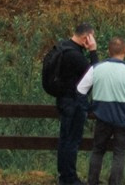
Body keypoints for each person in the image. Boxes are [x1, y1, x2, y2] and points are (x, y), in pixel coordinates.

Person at [78, 36, 125, 185]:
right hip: (124, 118)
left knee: (97, 151)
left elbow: (80, 90)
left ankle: (92, 181)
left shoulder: (96, 69)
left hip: (102, 116)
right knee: (119, 154)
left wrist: (89, 107)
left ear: (108, 51)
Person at [43, 22, 99, 185]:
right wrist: (93, 51)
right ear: (86, 38)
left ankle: (65, 176)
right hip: (74, 102)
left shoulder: (63, 47)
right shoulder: (75, 56)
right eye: (92, 37)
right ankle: (69, 178)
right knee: (72, 140)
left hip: (63, 100)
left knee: (65, 139)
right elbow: (95, 75)